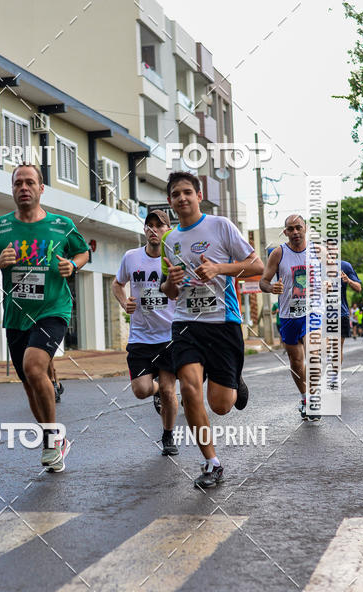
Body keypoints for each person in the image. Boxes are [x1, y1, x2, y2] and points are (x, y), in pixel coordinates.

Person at [0, 164, 89, 471]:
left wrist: (73, 267)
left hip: (53, 309)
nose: (23, 187)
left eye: (29, 182)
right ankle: (55, 438)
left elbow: (83, 252)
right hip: (17, 316)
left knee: (33, 365)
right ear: (12, 189)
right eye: (17, 183)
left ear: (41, 189)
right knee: (29, 383)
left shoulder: (61, 225)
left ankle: (51, 441)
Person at [160, 172, 264, 489]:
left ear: (199, 195)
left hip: (223, 322)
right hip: (186, 324)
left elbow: (256, 266)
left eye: (187, 192)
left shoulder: (220, 226)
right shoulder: (170, 240)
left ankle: (235, 380)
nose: (182, 198)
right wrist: (171, 283)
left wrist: (219, 268)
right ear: (169, 201)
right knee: (189, 389)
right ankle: (212, 462)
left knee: (220, 404)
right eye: (176, 194)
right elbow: (169, 292)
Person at [112, 209, 179, 456]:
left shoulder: (175, 260)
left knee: (169, 390)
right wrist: (123, 303)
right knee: (141, 390)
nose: (153, 230)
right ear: (144, 231)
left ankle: (168, 436)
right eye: (149, 225)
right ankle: (157, 391)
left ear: (168, 231)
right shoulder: (131, 257)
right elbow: (117, 284)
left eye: (159, 226)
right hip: (140, 336)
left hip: (169, 336)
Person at [259, 214, 322, 420]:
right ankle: (304, 398)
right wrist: (271, 287)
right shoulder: (278, 253)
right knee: (296, 361)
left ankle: (313, 399)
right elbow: (263, 281)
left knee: (313, 354)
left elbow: (331, 275)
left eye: (298, 228)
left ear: (305, 229)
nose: (295, 232)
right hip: (288, 315)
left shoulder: (317, 251)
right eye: (291, 229)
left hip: (312, 312)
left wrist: (329, 284)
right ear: (285, 232)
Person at [339, 261, 361, 362]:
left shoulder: (345, 266)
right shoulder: (315, 265)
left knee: (337, 350)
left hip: (340, 313)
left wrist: (348, 281)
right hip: (320, 314)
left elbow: (358, 288)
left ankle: (334, 377)